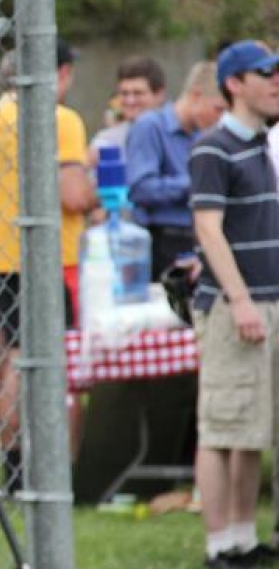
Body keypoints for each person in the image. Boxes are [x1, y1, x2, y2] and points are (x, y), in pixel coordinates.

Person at [0, 40, 95, 493]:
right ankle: (61, 471)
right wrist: (100, 185)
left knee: (14, 364)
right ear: (57, 74)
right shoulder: (62, 120)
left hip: (4, 258)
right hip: (51, 259)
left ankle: (15, 470)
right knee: (56, 366)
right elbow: (75, 195)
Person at [190, 40, 279, 569]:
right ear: (233, 84)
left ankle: (244, 537)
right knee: (221, 427)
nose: (275, 81)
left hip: (269, 303)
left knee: (253, 429)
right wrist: (241, 300)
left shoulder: (263, 147)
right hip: (233, 310)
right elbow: (207, 227)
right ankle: (217, 545)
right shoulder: (213, 147)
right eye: (264, 73)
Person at [126, 61, 227, 280]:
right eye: (217, 109)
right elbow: (140, 188)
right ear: (196, 95)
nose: (219, 118)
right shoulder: (150, 126)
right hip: (161, 239)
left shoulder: (204, 135)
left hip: (195, 239)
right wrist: (197, 184)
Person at [90, 56, 167, 157]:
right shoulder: (106, 142)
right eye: (124, 93)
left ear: (159, 95)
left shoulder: (176, 137)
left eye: (138, 93)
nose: (130, 101)